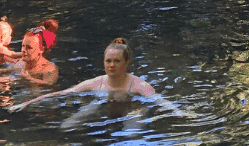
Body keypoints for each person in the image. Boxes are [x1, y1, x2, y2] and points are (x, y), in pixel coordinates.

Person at [11, 38, 155, 112]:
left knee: (132, 134)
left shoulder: (139, 86)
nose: (112, 65)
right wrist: (26, 103)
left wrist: (178, 114)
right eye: (108, 61)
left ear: (126, 63)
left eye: (117, 61)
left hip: (133, 108)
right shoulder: (95, 83)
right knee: (67, 126)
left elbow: (162, 102)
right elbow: (61, 93)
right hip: (103, 106)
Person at [18, 19, 59, 85]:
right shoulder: (21, 62)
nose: (23, 50)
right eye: (23, 46)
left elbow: (49, 84)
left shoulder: (49, 69)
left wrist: (28, 78)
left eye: (29, 48)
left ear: (41, 49)